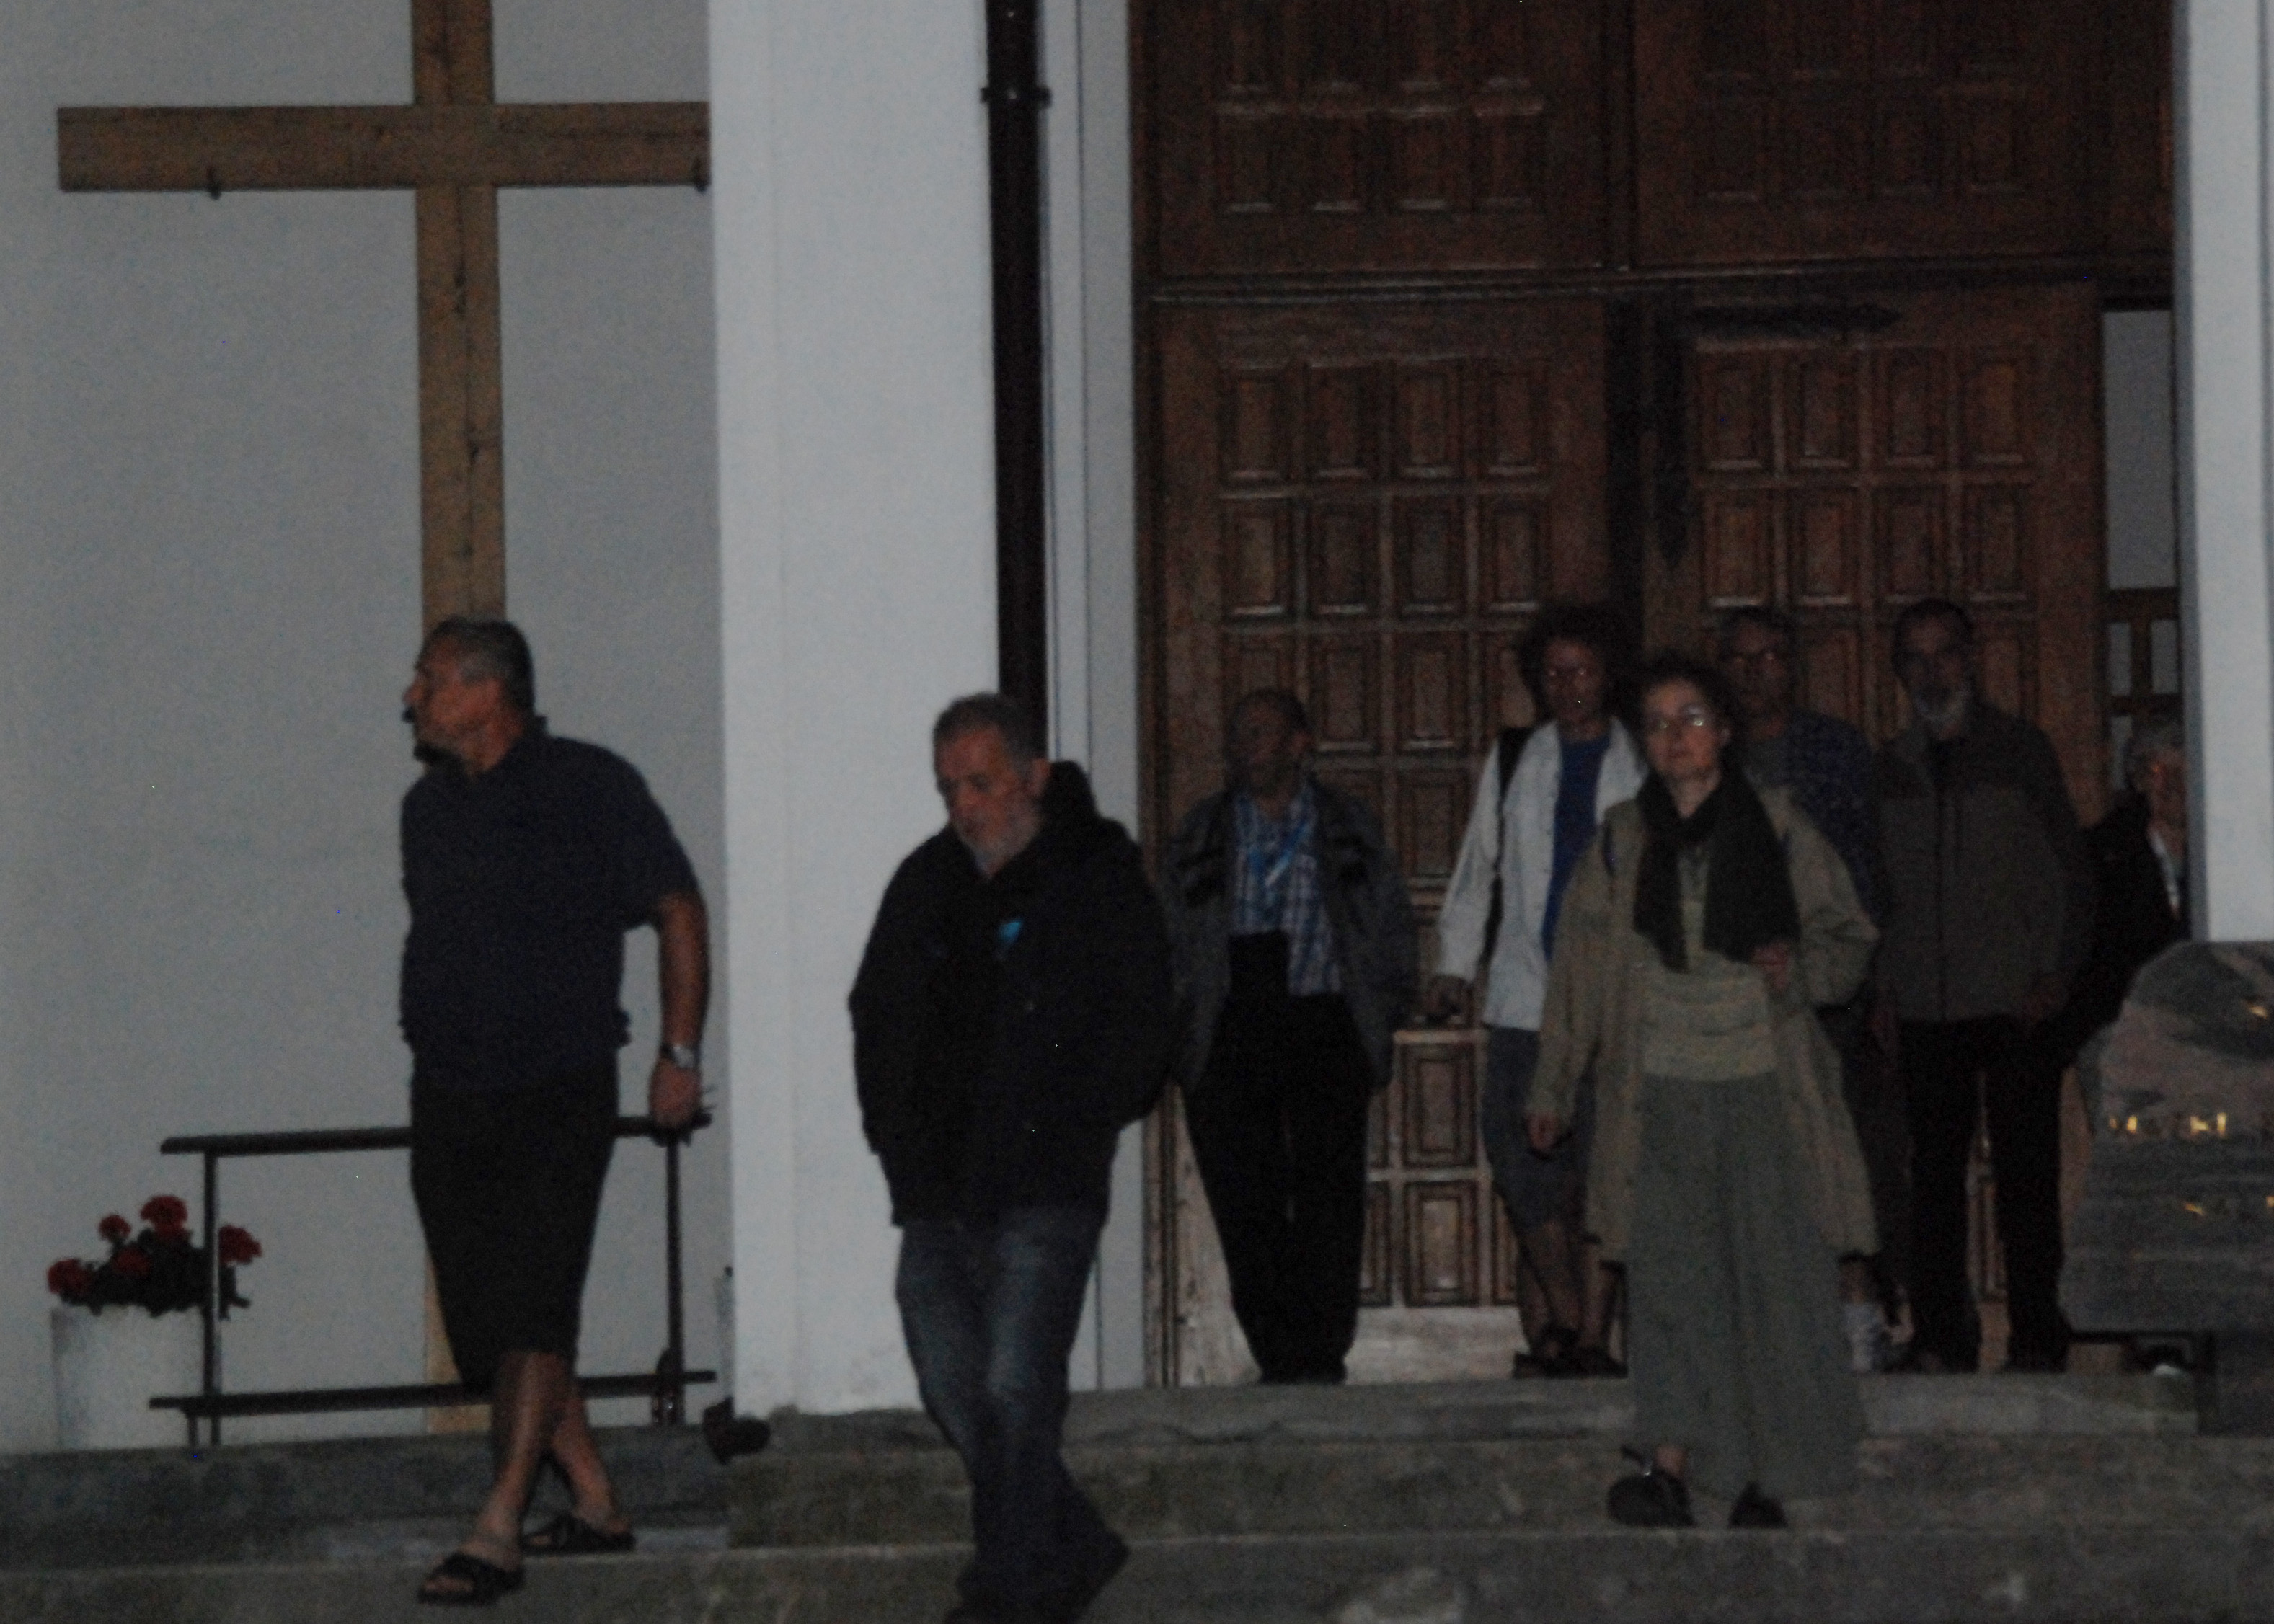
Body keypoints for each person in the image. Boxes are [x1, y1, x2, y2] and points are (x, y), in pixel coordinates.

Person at [398, 618, 708, 1606]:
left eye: (430, 680)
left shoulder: (589, 785)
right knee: (490, 1322)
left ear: (487, 693)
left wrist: (678, 1054)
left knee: (535, 1303)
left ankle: (497, 1529)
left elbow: (677, 908)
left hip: (556, 1085)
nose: (411, 698)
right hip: (449, 1090)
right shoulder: (424, 809)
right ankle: (597, 1501)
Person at [1529, 652, 1877, 1529]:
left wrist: (1797, 971)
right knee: (1670, 1285)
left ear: (1723, 731)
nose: (1674, 737)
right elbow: (1577, 971)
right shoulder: (1622, 841)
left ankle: (1765, 1476)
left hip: (1763, 1089)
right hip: (1658, 1092)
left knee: (1769, 1282)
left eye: (1690, 719)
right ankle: (1671, 1468)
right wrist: (1553, 1084)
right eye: (1656, 724)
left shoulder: (1781, 828)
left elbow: (1847, 938)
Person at [851, 695, 1171, 1624]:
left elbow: (1147, 1014)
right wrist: (897, 1141)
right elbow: (876, 1012)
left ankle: (1006, 1589)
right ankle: (1075, 1544)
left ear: (1033, 777)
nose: (963, 806)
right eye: (948, 788)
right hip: (936, 1189)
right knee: (956, 1386)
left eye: (981, 784)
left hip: (1045, 1185)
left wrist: (1076, 1115)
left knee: (1016, 1384)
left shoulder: (1097, 878)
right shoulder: (926, 881)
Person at [1160, 690, 1417, 1385]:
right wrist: (1182, 1029)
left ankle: (1322, 1349)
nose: (1246, 745)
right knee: (1245, 1194)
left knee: (1330, 1192)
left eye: (1262, 731)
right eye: (1239, 733)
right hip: (1232, 1024)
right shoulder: (1203, 830)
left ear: (1301, 743)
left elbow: (1385, 914)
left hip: (1322, 1020)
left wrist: (1384, 1006)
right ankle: (1276, 1351)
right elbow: (1172, 930)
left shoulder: (1346, 824)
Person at [1872, 599, 2093, 1373]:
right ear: (1900, 670)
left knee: (2026, 1182)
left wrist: (2054, 973)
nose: (1933, 671)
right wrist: (1883, 989)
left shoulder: (2020, 751)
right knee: (1932, 1181)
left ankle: (2037, 1338)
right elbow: (1876, 895)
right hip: (1924, 1008)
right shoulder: (1889, 767)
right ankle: (1940, 1336)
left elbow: (2068, 872)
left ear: (1970, 657)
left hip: (2013, 1003)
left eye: (1945, 654)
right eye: (1917, 657)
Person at [1428, 605, 1645, 1376]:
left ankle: (1590, 1336)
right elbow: (1478, 865)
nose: (1567, 686)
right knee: (1522, 1165)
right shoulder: (1518, 756)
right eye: (1553, 674)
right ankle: (1564, 1313)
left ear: (1606, 676)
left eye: (1580, 671)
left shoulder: (1642, 758)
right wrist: (1453, 964)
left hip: (1614, 1003)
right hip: (1526, 997)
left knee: (1605, 1170)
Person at [1718, 605, 1903, 1371]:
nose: (1756, 673)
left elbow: (1868, 870)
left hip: (1827, 986)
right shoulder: (1708, 754)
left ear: (1791, 665)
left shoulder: (1835, 749)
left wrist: (1870, 979)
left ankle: (1860, 1310)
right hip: (1733, 999)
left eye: (1769, 657)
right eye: (1740, 660)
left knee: (1839, 1150)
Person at [2040, 718, 2190, 1078]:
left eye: (2185, 770)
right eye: (2159, 770)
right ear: (2139, 780)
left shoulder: (2228, 855)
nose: (2173, 784)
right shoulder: (2102, 853)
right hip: (2120, 1033)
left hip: (2200, 1034)